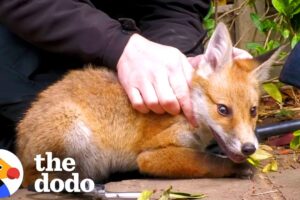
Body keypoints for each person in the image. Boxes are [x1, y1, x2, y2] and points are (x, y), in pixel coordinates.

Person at [0, 0, 251, 151]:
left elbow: (175, 8)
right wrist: (120, 47)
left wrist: (174, 59)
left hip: (119, 45)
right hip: (22, 36)